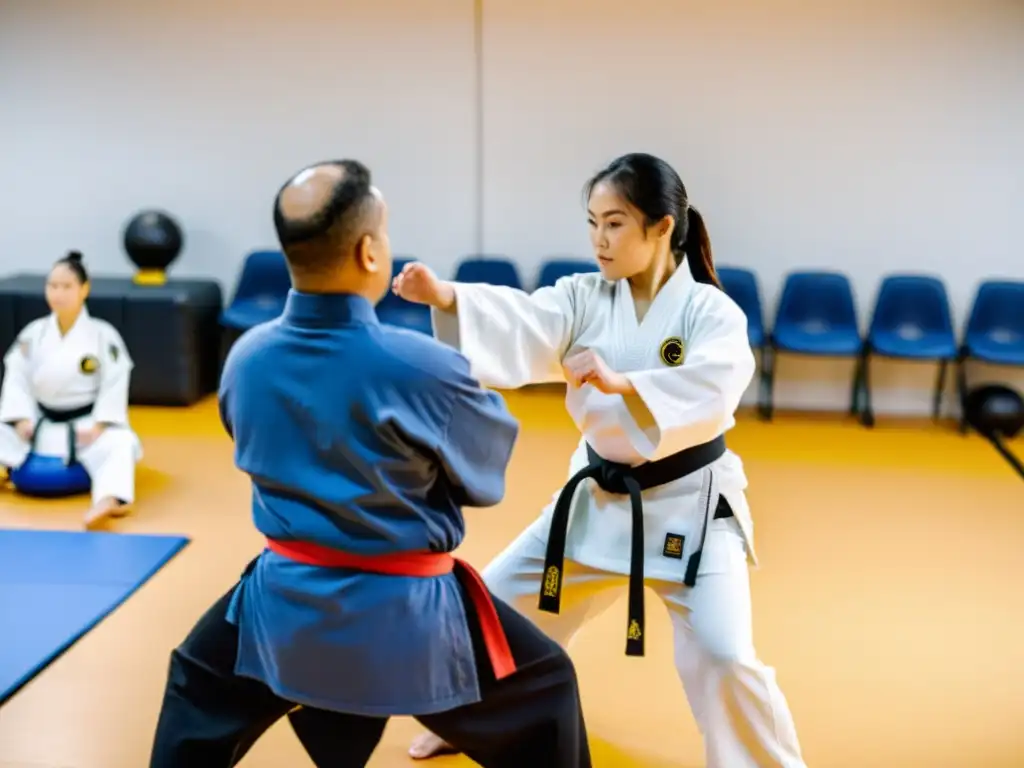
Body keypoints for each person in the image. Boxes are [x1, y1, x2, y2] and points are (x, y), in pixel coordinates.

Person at [148, 159, 592, 768]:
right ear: (368, 251)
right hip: (410, 614)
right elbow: (484, 477)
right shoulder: (426, 367)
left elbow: (248, 441)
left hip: (287, 604)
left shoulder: (246, 360)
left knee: (194, 688)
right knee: (549, 687)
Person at [395, 153, 807, 768]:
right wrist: (449, 299)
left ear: (663, 227)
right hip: (593, 502)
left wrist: (627, 385)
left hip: (689, 510)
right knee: (489, 613)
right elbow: (527, 320)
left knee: (724, 654)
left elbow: (720, 381)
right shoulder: (584, 296)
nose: (598, 240)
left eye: (614, 223)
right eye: (592, 223)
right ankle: (473, 724)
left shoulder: (709, 312)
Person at [0, 251, 141, 529]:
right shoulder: (33, 333)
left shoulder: (103, 335)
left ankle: (109, 500)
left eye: (66, 286)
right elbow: (16, 377)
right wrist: (20, 419)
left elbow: (116, 380)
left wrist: (101, 424)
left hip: (84, 426)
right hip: (39, 423)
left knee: (121, 443)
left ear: (84, 289)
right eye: (52, 286)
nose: (58, 293)